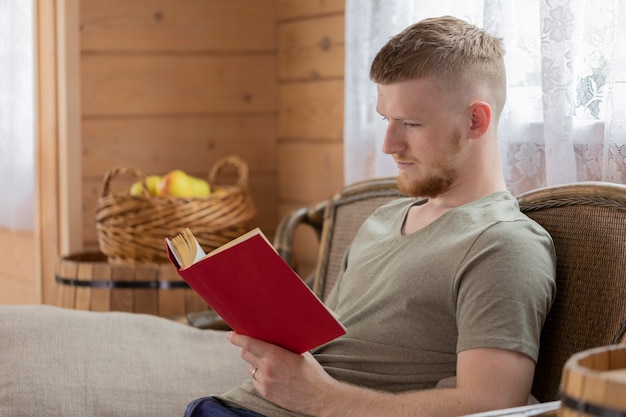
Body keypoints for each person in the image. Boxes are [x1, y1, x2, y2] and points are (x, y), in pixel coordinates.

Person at [184, 15, 557, 417]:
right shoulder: (382, 219)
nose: (388, 145)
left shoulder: (503, 244)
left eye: (411, 123)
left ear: (475, 120)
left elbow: (492, 403)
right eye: (386, 120)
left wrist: (320, 398)